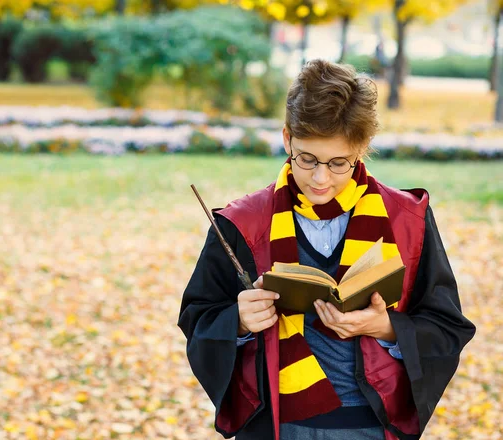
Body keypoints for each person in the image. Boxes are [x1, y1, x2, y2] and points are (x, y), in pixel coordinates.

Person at [177, 59, 475, 440]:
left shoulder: (407, 220)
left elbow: (448, 327)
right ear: (287, 139)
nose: (320, 179)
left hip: (370, 427)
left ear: (362, 149)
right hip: (275, 427)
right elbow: (197, 317)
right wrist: (237, 321)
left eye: (339, 163)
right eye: (306, 159)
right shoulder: (242, 224)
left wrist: (385, 327)